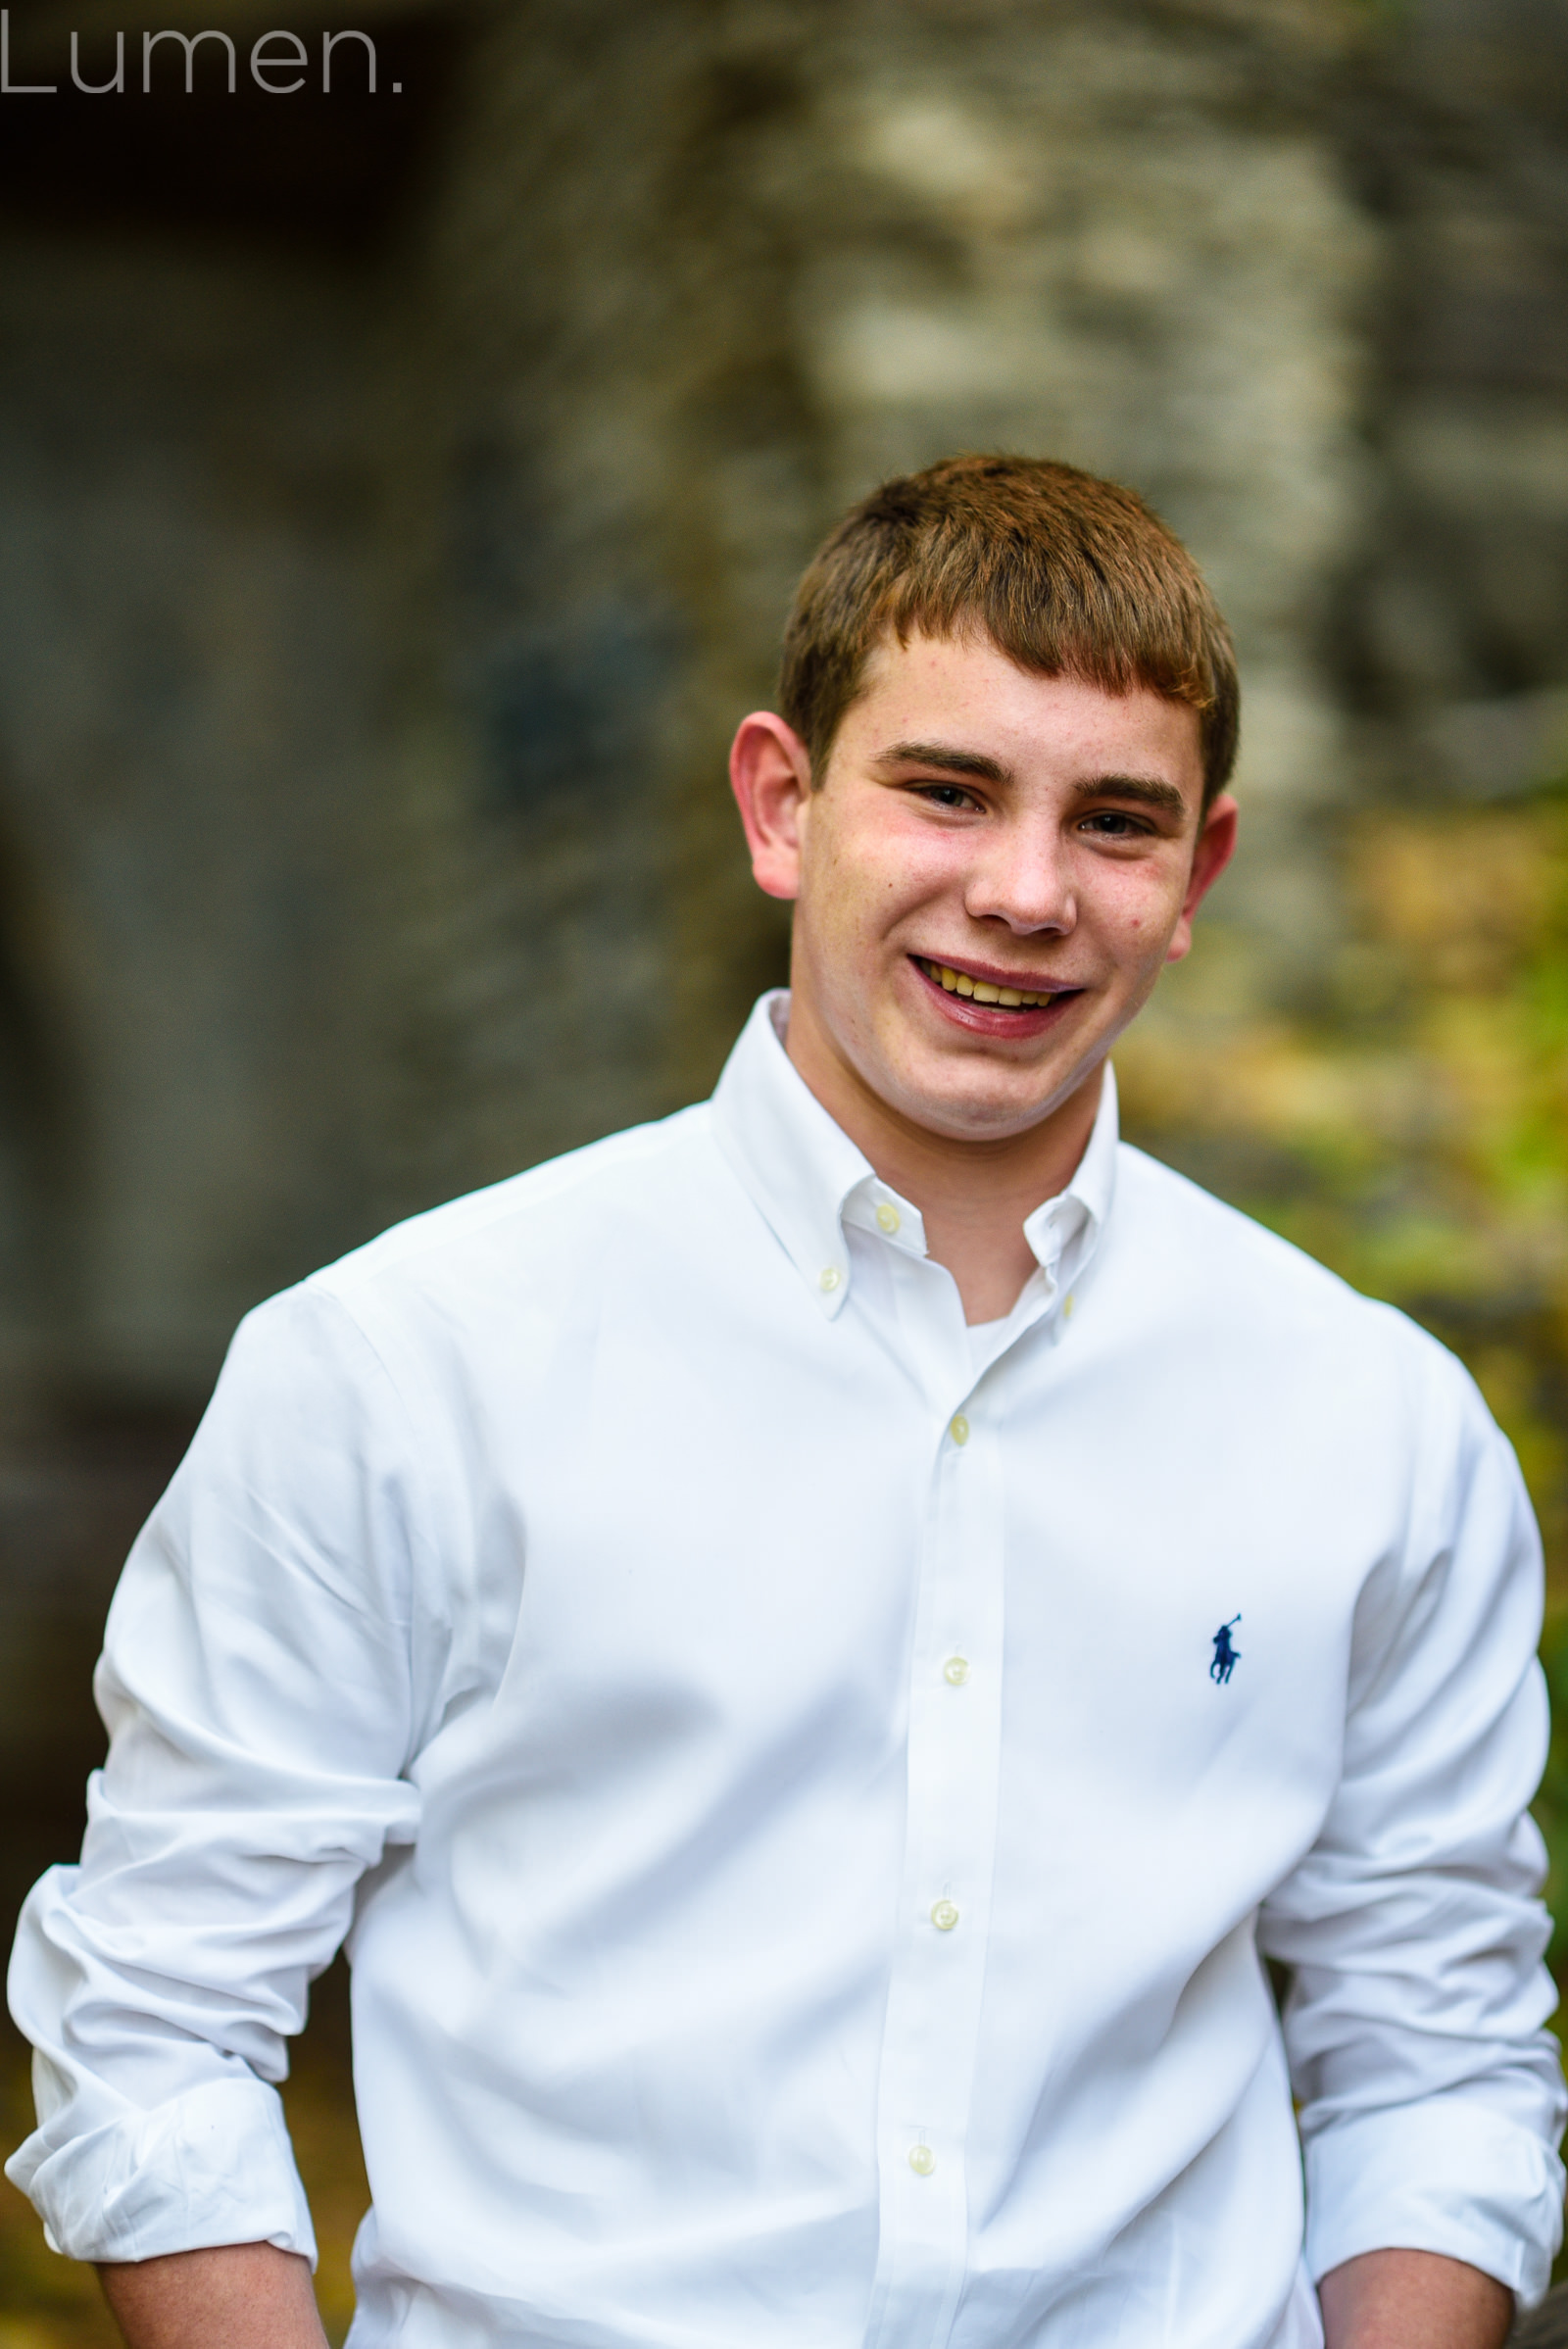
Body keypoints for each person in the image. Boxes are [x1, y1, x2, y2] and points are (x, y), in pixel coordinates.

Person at [7, 456, 1564, 2349]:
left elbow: (1436, 2054)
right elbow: (158, 2014)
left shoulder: (1373, 1428)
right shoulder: (404, 1365)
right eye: (948, 787)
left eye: (1117, 821)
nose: (1024, 892)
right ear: (781, 800)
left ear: (1197, 878)